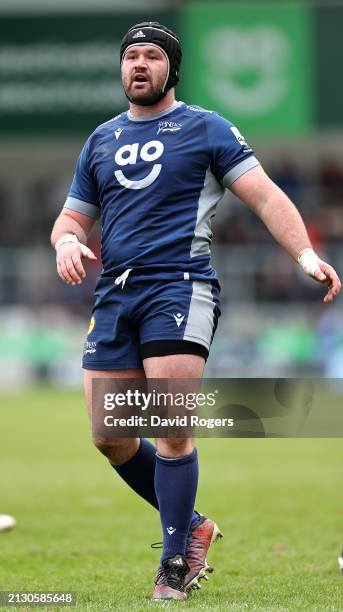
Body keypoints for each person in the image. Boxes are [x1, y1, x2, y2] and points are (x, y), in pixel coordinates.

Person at [50, 21, 341, 601]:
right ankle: (196, 523)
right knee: (110, 435)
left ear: (171, 70)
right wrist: (63, 241)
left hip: (179, 288)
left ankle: (175, 561)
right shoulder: (100, 139)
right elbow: (71, 218)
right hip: (115, 293)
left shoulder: (206, 128)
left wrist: (305, 253)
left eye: (151, 56)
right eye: (130, 56)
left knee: (171, 425)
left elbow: (265, 196)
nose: (138, 64)